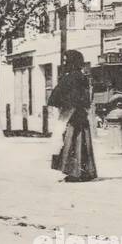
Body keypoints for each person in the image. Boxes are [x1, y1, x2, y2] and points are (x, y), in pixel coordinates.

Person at [48, 51, 97, 182]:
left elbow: (64, 95)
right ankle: (85, 172)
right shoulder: (80, 76)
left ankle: (74, 172)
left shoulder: (72, 78)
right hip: (79, 114)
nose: (64, 63)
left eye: (66, 60)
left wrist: (62, 103)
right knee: (81, 144)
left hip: (73, 115)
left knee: (72, 143)